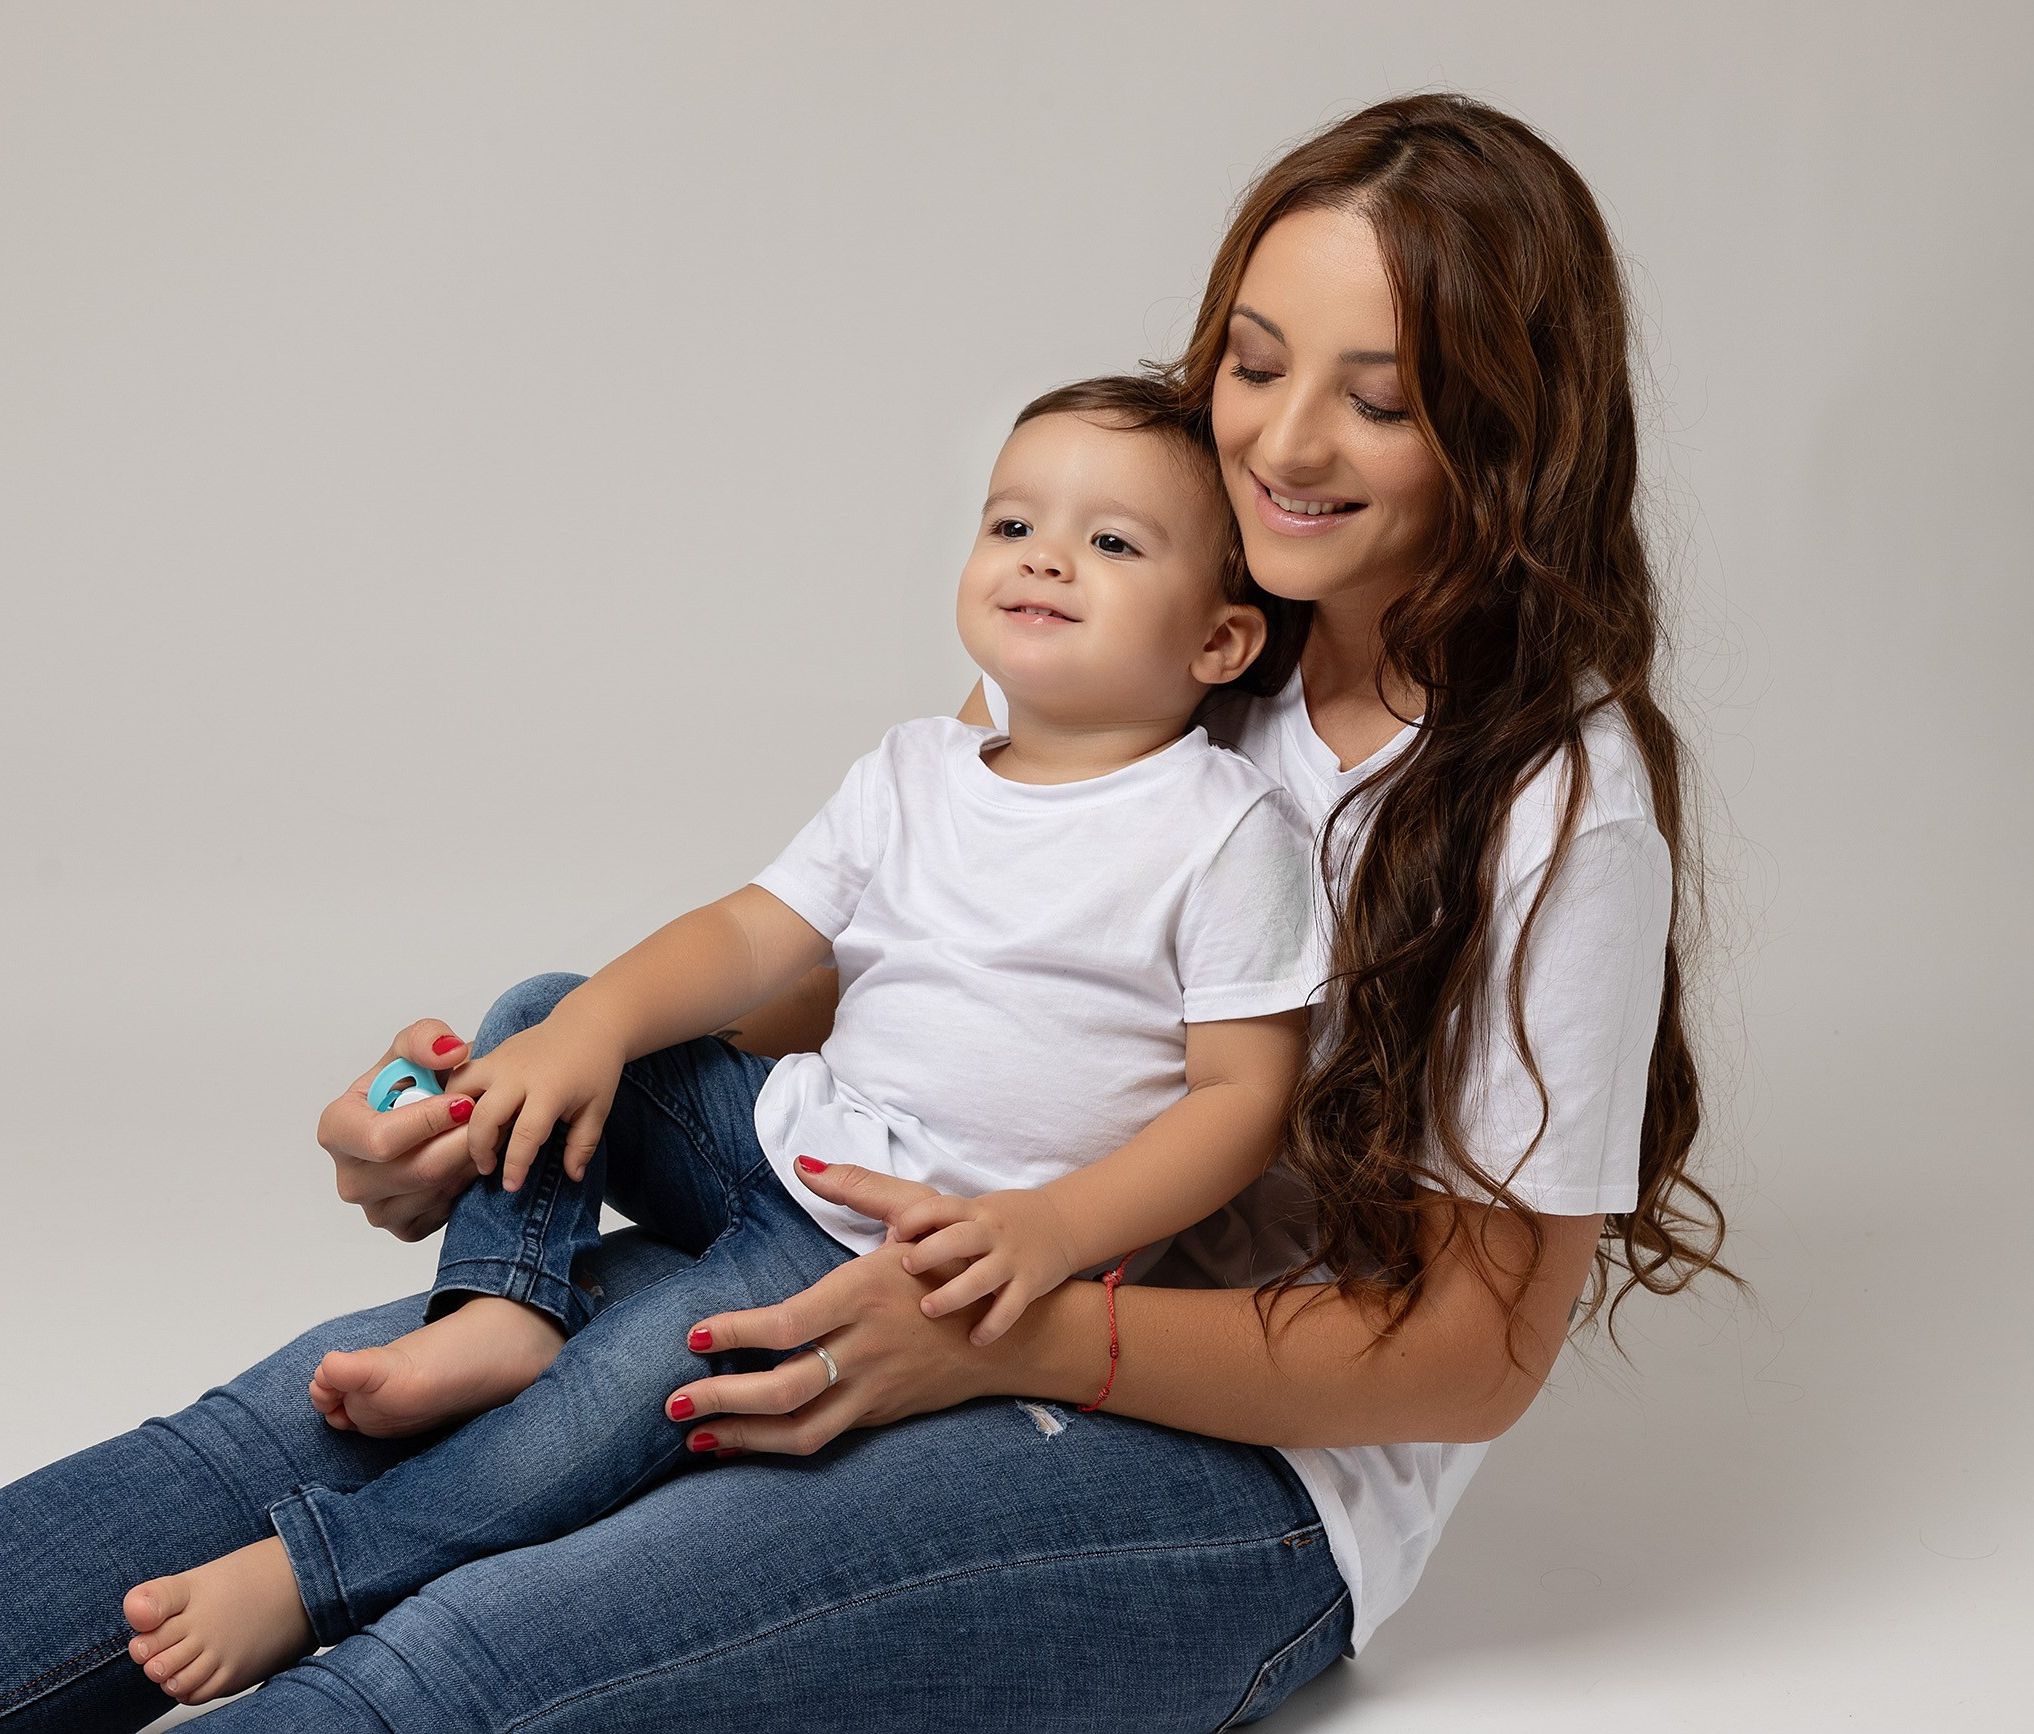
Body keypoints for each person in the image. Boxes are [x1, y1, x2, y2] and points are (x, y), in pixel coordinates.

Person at [0, 93, 1728, 1733]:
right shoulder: (1170, 615)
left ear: (1509, 435)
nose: (1281, 439)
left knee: (481, 1648)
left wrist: (1013, 1331)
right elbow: (873, 983)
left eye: (1381, 397)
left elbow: (1470, 1356)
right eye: (1253, 363)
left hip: (1214, 1456)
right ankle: (502, 1286)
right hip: (897, 1233)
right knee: (290, 1431)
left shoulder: (1553, 808)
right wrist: (496, 1104)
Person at [115, 375, 1325, 1704]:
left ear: (1219, 641)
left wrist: (1049, 1234)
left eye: (1111, 542)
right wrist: (594, 1027)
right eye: (1012, 521)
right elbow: (754, 937)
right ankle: (501, 1302)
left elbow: (1240, 1098)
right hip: (787, 1132)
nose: (1044, 555)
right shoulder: (917, 768)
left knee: (592, 1419)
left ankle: (313, 1577)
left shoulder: (1222, 826)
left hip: (889, 1246)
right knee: (545, 1012)